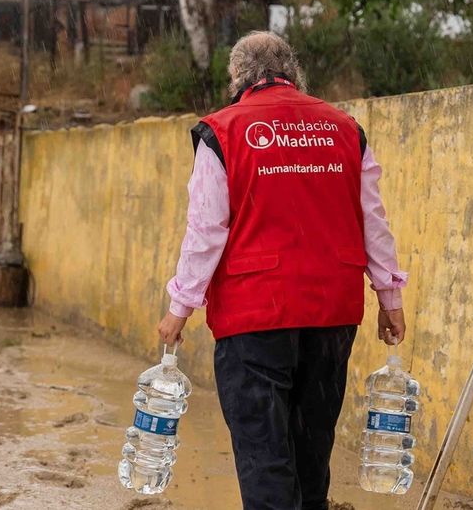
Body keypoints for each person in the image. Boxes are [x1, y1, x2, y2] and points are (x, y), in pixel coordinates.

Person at [157, 32, 408, 510]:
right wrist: (389, 296)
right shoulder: (345, 129)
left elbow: (206, 229)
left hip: (254, 317)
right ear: (292, 70)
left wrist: (180, 307)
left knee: (264, 454)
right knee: (312, 452)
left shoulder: (223, 131)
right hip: (332, 313)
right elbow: (373, 219)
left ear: (237, 76)